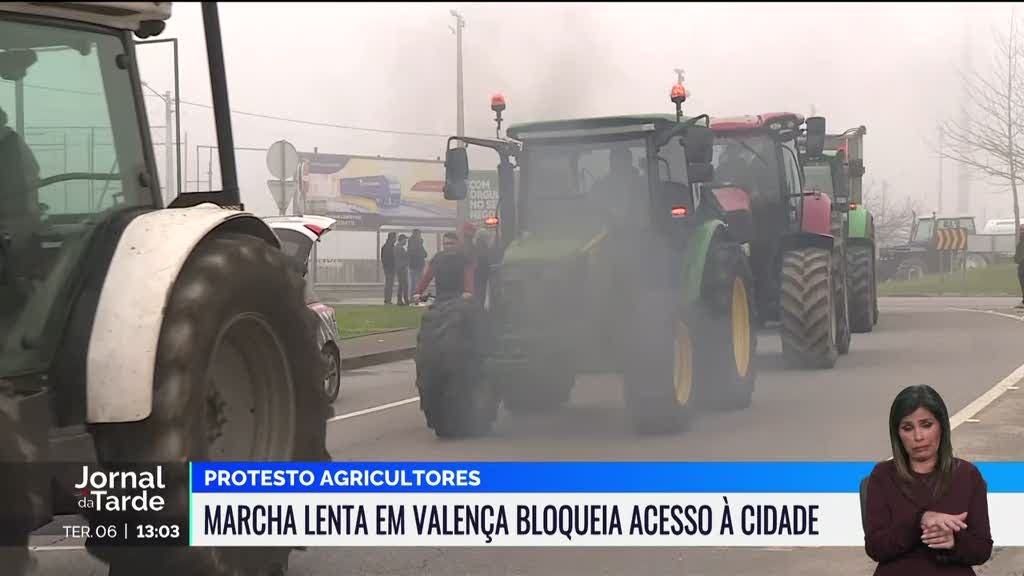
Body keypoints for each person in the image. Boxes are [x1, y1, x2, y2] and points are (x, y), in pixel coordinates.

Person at [863, 385, 992, 575]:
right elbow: (876, 548)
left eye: (926, 425)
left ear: (941, 426)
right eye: (908, 428)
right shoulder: (882, 476)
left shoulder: (967, 475)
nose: (918, 436)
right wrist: (920, 521)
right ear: (897, 434)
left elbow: (982, 550)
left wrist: (954, 540)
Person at [413, 232, 475, 303]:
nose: (448, 246)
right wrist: (418, 292)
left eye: (451, 243)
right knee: (430, 314)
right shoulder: (437, 258)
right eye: (446, 243)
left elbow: (469, 277)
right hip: (441, 298)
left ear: (457, 244)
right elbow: (427, 277)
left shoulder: (464, 259)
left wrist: (468, 291)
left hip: (459, 298)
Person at [408, 228, 428, 298]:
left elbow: (425, 254)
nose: (420, 236)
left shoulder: (412, 243)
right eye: (419, 234)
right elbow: (424, 254)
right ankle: (415, 297)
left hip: (414, 265)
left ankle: (413, 297)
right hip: (417, 265)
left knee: (414, 283)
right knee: (417, 283)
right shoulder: (416, 243)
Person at [380, 232, 396, 304]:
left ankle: (387, 299)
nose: (395, 239)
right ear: (392, 238)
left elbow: (383, 258)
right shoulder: (390, 247)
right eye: (395, 238)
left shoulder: (385, 246)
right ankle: (387, 300)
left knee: (388, 284)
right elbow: (391, 258)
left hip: (387, 267)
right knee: (389, 284)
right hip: (390, 268)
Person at [394, 234, 410, 306]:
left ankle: (400, 300)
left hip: (401, 268)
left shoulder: (398, 248)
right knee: (404, 285)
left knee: (402, 285)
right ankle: (405, 300)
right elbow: (402, 258)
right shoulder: (399, 248)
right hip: (401, 269)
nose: (406, 241)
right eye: (405, 240)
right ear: (402, 239)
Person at [1015, 225, 1024, 309]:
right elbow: (1018, 255)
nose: (1021, 232)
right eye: (1021, 230)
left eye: (1023, 230)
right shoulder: (1020, 243)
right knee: (1022, 284)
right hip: (1021, 267)